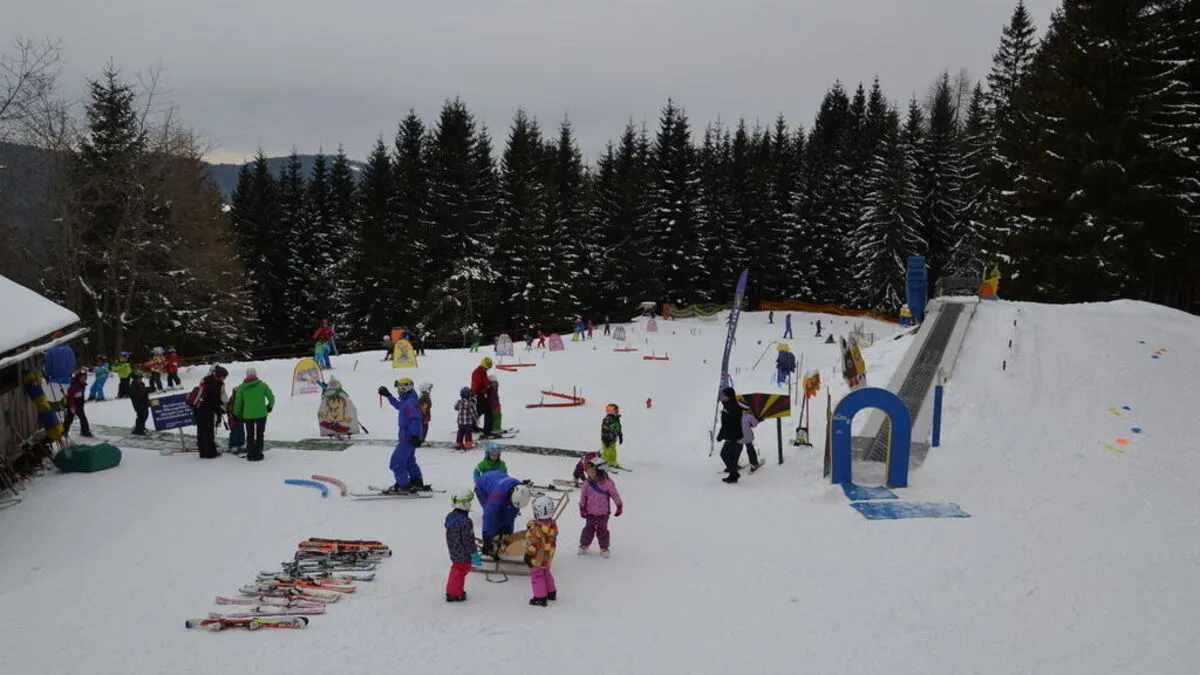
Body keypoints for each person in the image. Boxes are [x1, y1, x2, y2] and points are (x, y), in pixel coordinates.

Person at [377, 378, 427, 493]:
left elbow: (416, 419)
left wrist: (415, 436)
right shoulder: (407, 400)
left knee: (397, 462)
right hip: (408, 437)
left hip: (408, 438)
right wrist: (388, 395)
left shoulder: (410, 402)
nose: (398, 391)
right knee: (409, 461)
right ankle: (416, 481)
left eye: (400, 388)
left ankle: (403, 485)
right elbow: (399, 405)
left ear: (406, 388)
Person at [474, 470, 531, 558]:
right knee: (495, 515)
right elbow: (489, 516)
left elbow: (511, 514)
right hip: (483, 487)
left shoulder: (520, 490)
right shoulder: (497, 495)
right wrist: (487, 538)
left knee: (507, 511)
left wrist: (507, 536)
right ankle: (493, 541)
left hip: (497, 477)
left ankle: (500, 539)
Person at [578, 457, 622, 558]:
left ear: (600, 472)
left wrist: (619, 505)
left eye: (592, 472)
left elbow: (614, 495)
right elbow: (583, 496)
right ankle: (584, 545)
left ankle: (604, 547)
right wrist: (582, 508)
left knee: (602, 530)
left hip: (603, 513)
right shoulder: (587, 483)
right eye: (588, 471)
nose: (589, 474)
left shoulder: (607, 483)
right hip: (590, 512)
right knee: (588, 529)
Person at [444, 489, 482, 602]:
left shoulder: (451, 516)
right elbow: (469, 541)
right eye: (469, 502)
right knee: (460, 570)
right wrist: (475, 556)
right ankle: (454, 594)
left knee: (456, 569)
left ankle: (453, 591)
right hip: (463, 553)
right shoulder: (465, 521)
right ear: (464, 504)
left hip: (453, 549)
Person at [233, 367, 275, 462]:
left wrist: (236, 413)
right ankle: (259, 453)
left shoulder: (241, 388)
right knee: (260, 434)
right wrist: (269, 406)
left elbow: (238, 402)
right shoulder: (262, 385)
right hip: (261, 414)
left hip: (248, 415)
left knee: (250, 434)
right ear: (256, 375)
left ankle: (251, 454)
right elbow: (271, 397)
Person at [525, 494, 560, 606]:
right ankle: (551, 592)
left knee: (537, 575)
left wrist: (528, 555)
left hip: (537, 556)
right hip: (548, 554)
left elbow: (533, 544)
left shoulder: (535, 530)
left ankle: (540, 598)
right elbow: (547, 532)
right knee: (545, 572)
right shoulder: (552, 525)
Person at [193, 365, 229, 458]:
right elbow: (215, 400)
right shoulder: (215, 384)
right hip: (206, 410)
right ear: (219, 375)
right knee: (209, 432)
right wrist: (220, 410)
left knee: (201, 431)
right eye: (224, 377)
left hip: (198, 408)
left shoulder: (206, 379)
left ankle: (203, 452)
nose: (224, 379)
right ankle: (210, 453)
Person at [716, 387, 744, 483]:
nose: (722, 397)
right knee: (731, 457)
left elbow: (727, 425)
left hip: (733, 437)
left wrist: (721, 435)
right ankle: (733, 475)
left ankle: (734, 473)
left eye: (724, 395)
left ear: (729, 396)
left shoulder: (730, 408)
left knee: (724, 454)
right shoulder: (730, 406)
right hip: (735, 436)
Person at [63, 369, 93, 438]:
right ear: (78, 378)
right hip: (72, 405)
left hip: (79, 405)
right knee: (69, 419)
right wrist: (72, 406)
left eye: (85, 378)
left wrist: (82, 402)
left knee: (83, 418)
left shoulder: (82, 385)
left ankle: (85, 431)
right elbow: (70, 397)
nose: (83, 380)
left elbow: (80, 395)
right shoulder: (74, 386)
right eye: (82, 378)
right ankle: (64, 431)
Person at [470, 357, 496, 438]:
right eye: (487, 367)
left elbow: (484, 381)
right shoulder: (478, 372)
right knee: (488, 412)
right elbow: (475, 384)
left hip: (480, 394)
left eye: (489, 368)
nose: (487, 369)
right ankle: (487, 431)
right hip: (478, 395)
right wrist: (473, 395)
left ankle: (472, 426)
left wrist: (489, 384)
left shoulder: (483, 371)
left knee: (479, 411)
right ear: (483, 364)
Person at [739, 400, 763, 471]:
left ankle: (733, 464)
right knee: (750, 449)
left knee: (737, 450)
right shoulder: (749, 416)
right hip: (747, 437)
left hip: (737, 436)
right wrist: (758, 420)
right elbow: (754, 424)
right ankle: (754, 464)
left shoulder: (734, 414)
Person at [599, 403, 624, 468]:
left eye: (611, 410)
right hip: (606, 439)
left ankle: (612, 462)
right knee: (606, 452)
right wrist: (605, 438)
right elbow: (604, 429)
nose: (609, 412)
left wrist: (620, 435)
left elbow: (618, 427)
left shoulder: (616, 418)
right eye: (608, 410)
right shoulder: (607, 419)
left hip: (613, 439)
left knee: (613, 451)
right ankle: (604, 462)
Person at [226, 382, 245, 455]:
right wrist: (231, 415)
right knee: (234, 432)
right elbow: (229, 408)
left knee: (241, 431)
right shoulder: (232, 399)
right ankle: (233, 445)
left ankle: (241, 444)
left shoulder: (243, 398)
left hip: (240, 418)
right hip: (233, 418)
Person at [129, 371, 150, 436]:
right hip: (139, 404)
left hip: (144, 403)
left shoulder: (141, 384)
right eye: (138, 378)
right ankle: (138, 430)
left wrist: (148, 389)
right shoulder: (133, 386)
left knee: (145, 415)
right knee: (141, 416)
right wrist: (145, 391)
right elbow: (137, 395)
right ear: (135, 379)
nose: (140, 379)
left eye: (141, 378)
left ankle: (141, 427)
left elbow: (143, 391)